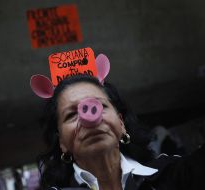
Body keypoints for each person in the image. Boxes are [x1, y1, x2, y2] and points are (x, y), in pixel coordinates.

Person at [31, 54, 205, 190]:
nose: (89, 118)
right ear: (62, 143)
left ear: (121, 123)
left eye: (99, 106)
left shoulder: (176, 174)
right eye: (70, 115)